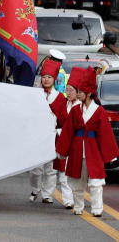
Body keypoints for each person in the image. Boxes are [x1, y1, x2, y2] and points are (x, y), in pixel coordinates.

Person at [56, 67, 119, 217]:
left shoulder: (100, 111)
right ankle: (78, 206)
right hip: (77, 148)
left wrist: (110, 156)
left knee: (96, 182)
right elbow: (68, 132)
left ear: (89, 93)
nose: (78, 94)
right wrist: (62, 152)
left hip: (93, 149)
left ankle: (97, 209)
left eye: (80, 92)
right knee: (77, 182)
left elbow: (105, 134)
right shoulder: (75, 110)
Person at [27, 59, 65, 204]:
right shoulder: (35, 95)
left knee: (50, 169)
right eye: (44, 77)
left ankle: (47, 195)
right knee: (35, 169)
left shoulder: (60, 98)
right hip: (37, 136)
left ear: (54, 79)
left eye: (49, 77)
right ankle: (35, 189)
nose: (46, 80)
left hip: (52, 137)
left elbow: (63, 119)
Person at [52, 67, 84, 210]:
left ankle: (77, 198)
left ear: (78, 92)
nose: (68, 93)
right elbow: (54, 122)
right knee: (63, 173)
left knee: (77, 174)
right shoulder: (60, 106)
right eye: (67, 89)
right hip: (64, 142)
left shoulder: (84, 107)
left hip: (79, 143)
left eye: (71, 90)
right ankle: (67, 199)